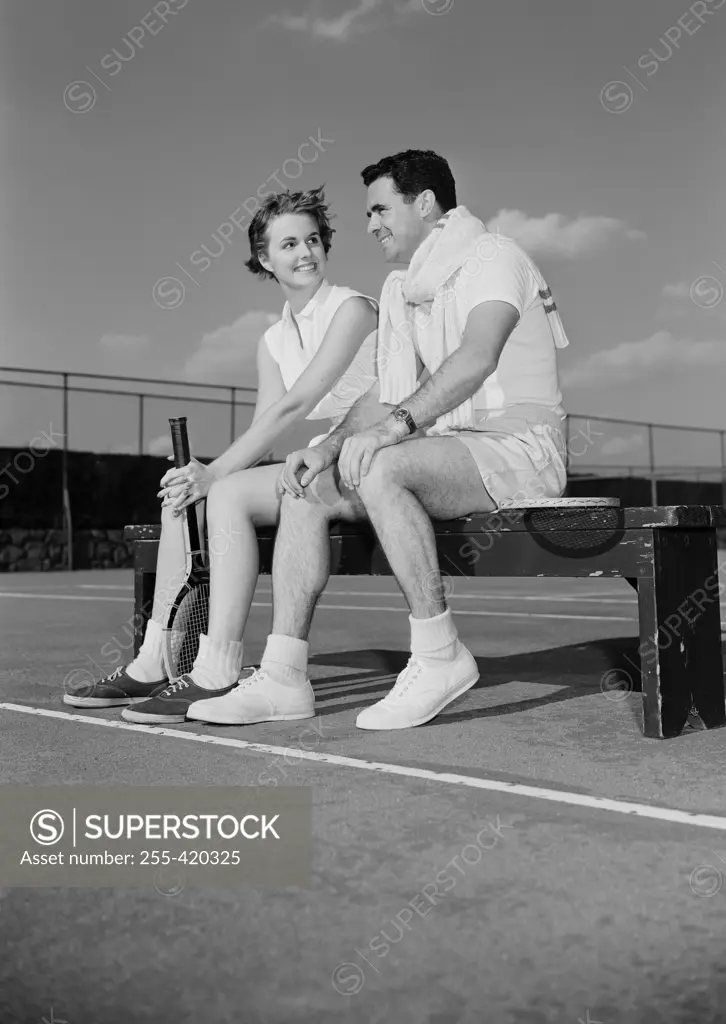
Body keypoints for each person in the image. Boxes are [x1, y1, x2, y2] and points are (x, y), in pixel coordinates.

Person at [185, 148, 570, 732]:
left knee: (384, 467)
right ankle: (285, 677)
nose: (370, 226)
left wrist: (393, 431)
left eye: (380, 209)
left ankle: (440, 655)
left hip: (520, 448)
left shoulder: (494, 256)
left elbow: (475, 357)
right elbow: (383, 397)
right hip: (452, 451)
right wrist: (326, 448)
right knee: (307, 488)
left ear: (424, 202)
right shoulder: (401, 287)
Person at [63, 186, 382, 723]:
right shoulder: (273, 339)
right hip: (312, 465)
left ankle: (217, 669)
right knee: (179, 498)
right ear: (265, 258)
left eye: (312, 240)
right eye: (289, 244)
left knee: (224, 488)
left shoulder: (353, 309)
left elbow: (297, 404)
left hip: (362, 458)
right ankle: (153, 661)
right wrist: (200, 478)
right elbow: (266, 426)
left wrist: (218, 475)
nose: (305, 253)